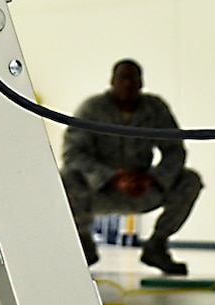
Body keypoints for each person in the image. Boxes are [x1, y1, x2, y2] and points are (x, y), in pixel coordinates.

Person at [60, 60, 204, 277]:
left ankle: (157, 245)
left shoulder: (154, 109)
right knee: (66, 177)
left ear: (141, 83)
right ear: (112, 81)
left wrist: (153, 178)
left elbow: (175, 151)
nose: (128, 85)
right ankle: (83, 244)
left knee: (190, 180)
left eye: (133, 79)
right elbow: (73, 154)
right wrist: (112, 177)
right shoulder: (92, 109)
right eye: (123, 79)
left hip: (143, 189)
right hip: (100, 191)